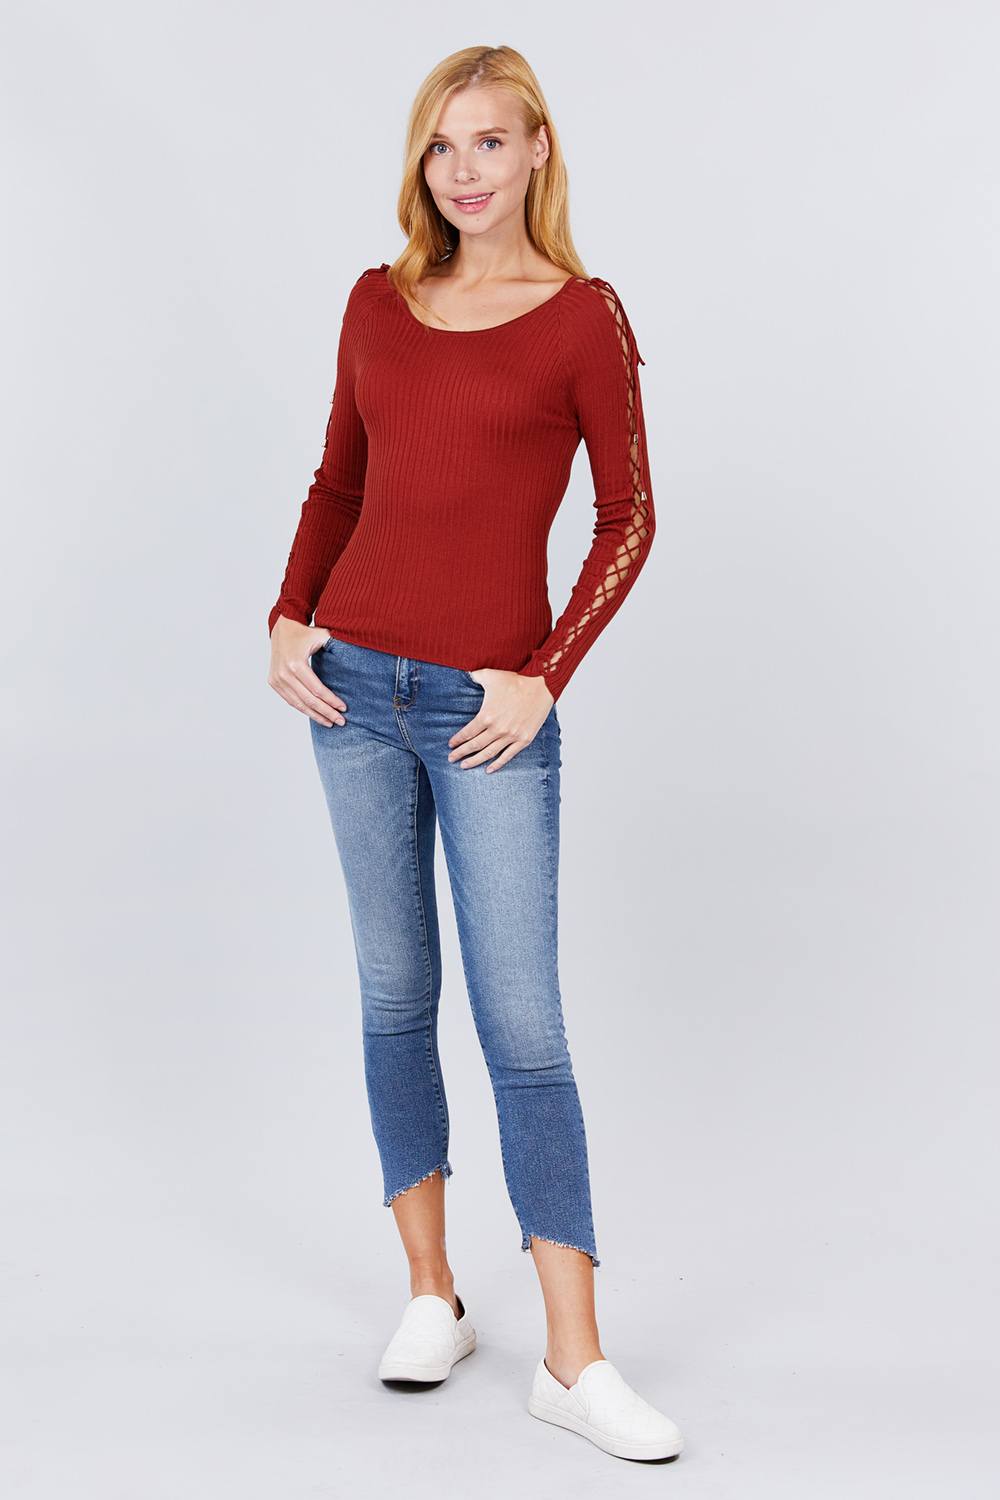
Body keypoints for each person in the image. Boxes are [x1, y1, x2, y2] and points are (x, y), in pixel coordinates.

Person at [266, 45, 683, 1464]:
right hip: (351, 691)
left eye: (489, 142)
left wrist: (545, 677)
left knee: (523, 1027)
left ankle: (575, 1358)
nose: (463, 170)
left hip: (485, 709)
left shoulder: (581, 318)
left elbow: (628, 516)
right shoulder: (375, 302)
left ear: (537, 150)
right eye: (441, 146)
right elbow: (339, 480)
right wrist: (287, 618)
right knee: (394, 996)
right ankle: (432, 1296)